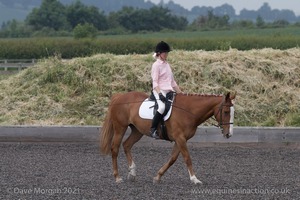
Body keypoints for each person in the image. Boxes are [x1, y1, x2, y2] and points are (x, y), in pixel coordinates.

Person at [150, 41, 182, 139]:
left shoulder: (167, 64)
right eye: (165, 53)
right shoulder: (156, 65)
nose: (167, 54)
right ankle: (153, 129)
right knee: (162, 108)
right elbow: (155, 82)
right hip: (159, 90)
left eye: (167, 53)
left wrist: (181, 94)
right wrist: (160, 94)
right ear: (159, 53)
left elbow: (173, 83)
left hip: (169, 91)